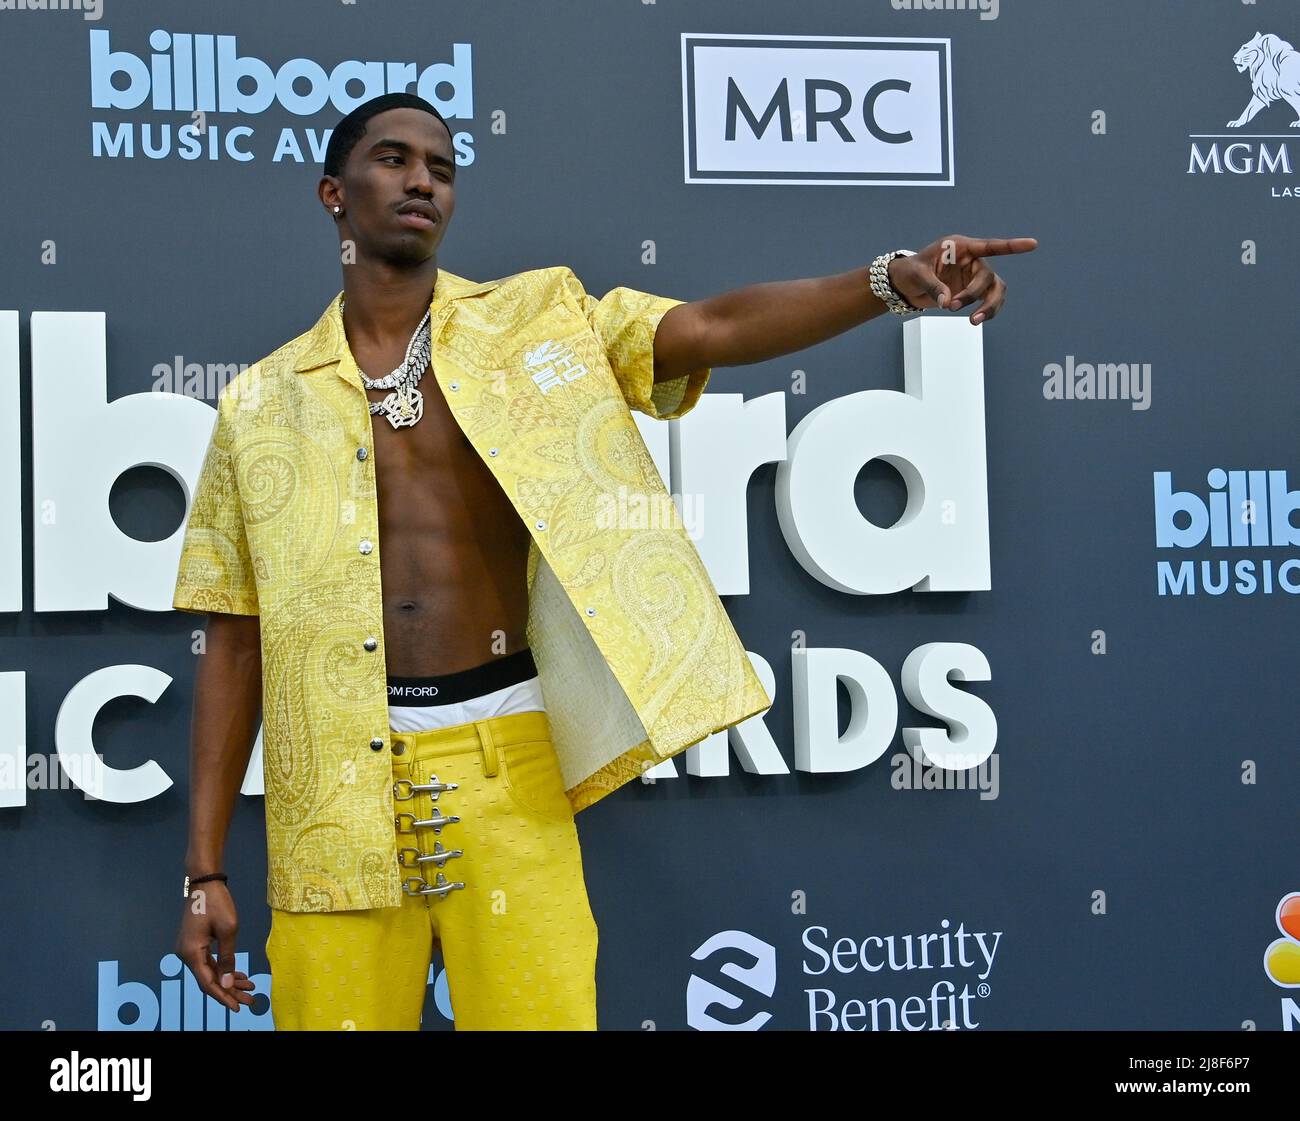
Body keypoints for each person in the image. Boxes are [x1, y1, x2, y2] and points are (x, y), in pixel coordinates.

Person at [171, 90, 1036, 1030]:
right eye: (393, 159)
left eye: (444, 167)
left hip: (506, 760)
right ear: (333, 194)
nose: (423, 179)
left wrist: (885, 282)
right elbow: (234, 639)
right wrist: (203, 868)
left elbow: (707, 328)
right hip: (328, 794)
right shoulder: (259, 403)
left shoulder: (535, 320)